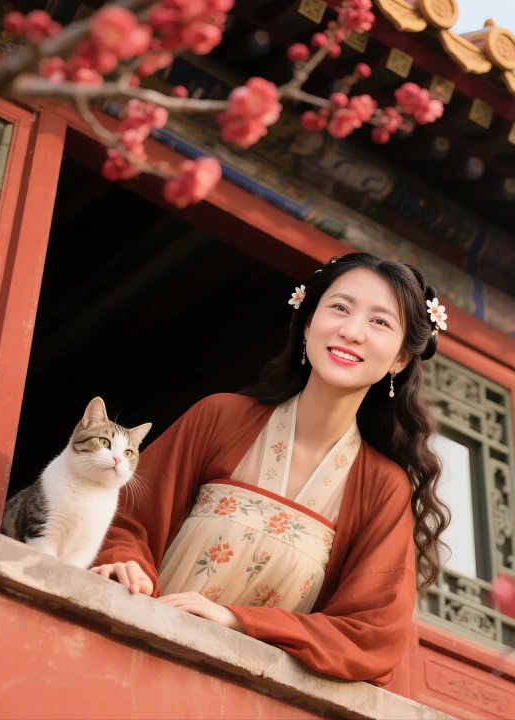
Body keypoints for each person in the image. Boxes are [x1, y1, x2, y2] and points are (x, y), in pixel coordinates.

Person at [91, 252, 450, 685]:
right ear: (308, 322)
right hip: (121, 654)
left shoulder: (381, 488)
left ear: (400, 360)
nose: (351, 331)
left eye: (380, 322)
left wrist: (236, 621)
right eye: (339, 307)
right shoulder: (219, 417)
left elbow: (371, 635)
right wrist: (124, 560)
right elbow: (119, 517)